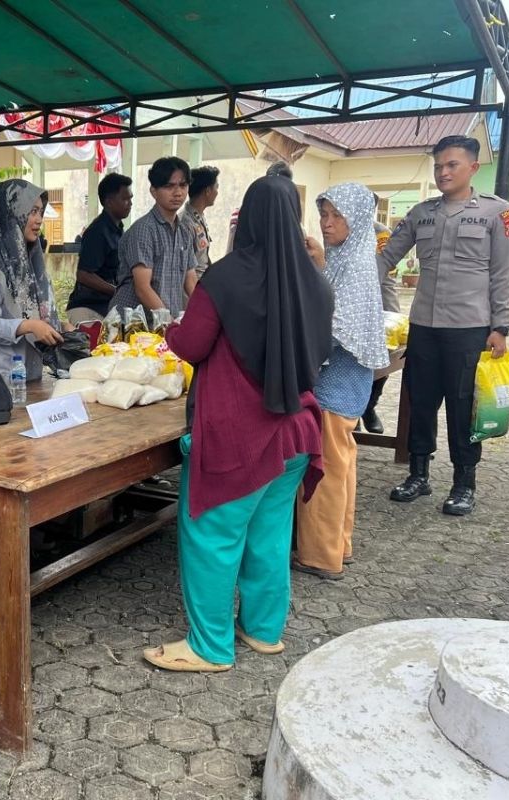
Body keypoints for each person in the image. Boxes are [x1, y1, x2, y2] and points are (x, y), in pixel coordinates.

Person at [143, 175, 332, 672]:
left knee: (213, 537)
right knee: (269, 536)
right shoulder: (315, 281)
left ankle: (209, 647)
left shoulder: (226, 277)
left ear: (246, 219)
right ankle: (264, 631)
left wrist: (173, 330)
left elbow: (192, 345)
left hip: (240, 435)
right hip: (297, 431)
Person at [378, 135, 509, 516]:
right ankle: (418, 475)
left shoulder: (495, 213)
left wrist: (501, 326)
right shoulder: (421, 213)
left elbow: (503, 274)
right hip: (424, 325)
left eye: (452, 165)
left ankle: (463, 482)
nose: (443, 172)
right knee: (420, 401)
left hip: (469, 328)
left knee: (461, 406)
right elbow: (385, 257)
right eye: (438, 166)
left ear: (473, 167)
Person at [297, 184, 389, 579]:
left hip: (336, 384)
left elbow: (334, 326)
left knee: (325, 471)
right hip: (347, 384)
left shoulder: (353, 266)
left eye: (337, 216)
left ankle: (320, 556)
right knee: (342, 465)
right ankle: (339, 544)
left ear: (358, 219)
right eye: (324, 214)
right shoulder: (348, 256)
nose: (327, 223)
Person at [0, 179, 64, 382]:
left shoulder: (28, 261)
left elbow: (34, 311)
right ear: (11, 214)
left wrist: (60, 325)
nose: (39, 220)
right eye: (32, 212)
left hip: (29, 375)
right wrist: (30, 326)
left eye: (40, 212)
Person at [107, 157, 198, 319]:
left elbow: (191, 281)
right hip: (133, 323)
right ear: (153, 191)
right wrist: (169, 323)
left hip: (165, 322)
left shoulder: (185, 231)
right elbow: (143, 288)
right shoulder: (144, 229)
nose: (178, 192)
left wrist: (205, 316)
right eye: (169, 186)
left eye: (183, 185)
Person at [65, 173, 132, 323]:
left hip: (106, 308)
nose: (130, 203)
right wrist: (116, 290)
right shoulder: (98, 231)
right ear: (109, 202)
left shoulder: (119, 230)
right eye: (125, 199)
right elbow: (84, 274)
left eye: (131, 198)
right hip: (87, 309)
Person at [360, 217, 399, 434]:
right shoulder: (333, 223)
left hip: (377, 303)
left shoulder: (379, 232)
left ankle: (369, 406)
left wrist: (392, 315)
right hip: (343, 307)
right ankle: (351, 413)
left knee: (385, 360)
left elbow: (388, 277)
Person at [184, 165, 219, 278]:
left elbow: (203, 257)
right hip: (192, 286)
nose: (217, 192)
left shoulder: (199, 217)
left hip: (203, 281)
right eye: (216, 187)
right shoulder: (185, 223)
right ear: (207, 191)